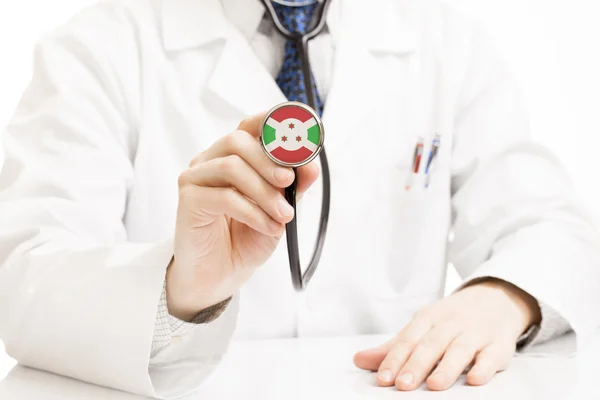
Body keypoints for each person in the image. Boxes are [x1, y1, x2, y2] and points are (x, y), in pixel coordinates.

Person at [0, 0, 598, 398]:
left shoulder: (444, 40)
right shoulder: (98, 47)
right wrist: (179, 289)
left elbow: (551, 227)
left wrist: (501, 296)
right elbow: (26, 280)